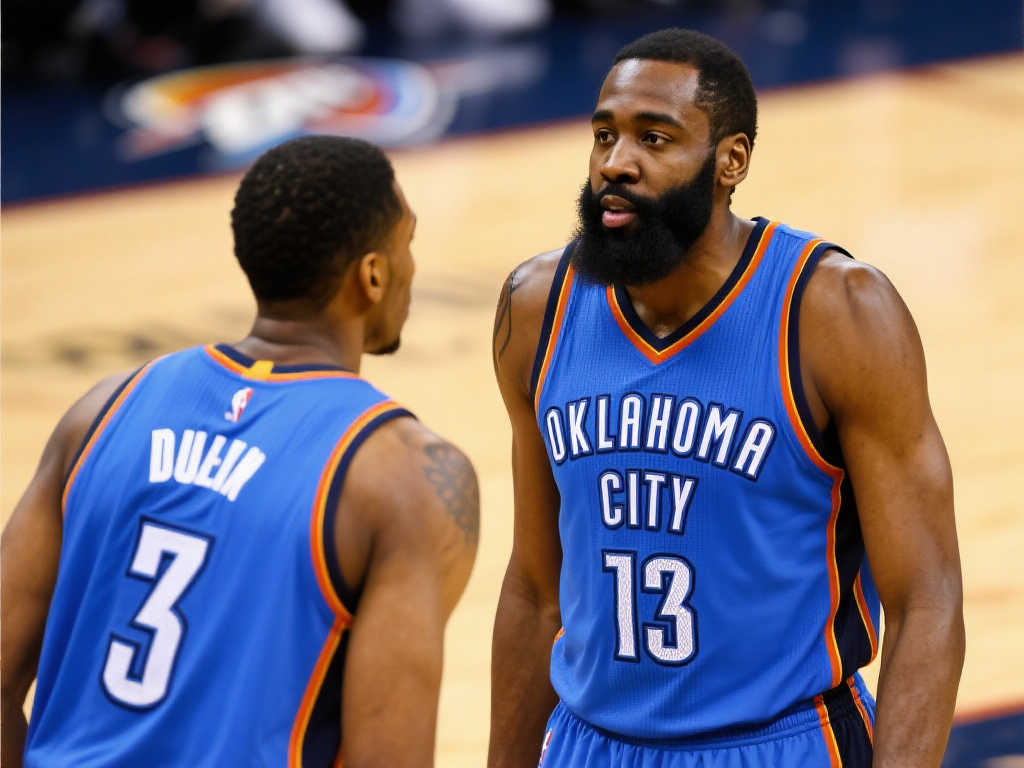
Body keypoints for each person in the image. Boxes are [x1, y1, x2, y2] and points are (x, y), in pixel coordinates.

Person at [488, 28, 963, 768]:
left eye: (654, 138)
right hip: (591, 745)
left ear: (730, 160)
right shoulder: (537, 308)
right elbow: (534, 588)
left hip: (779, 744)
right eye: (605, 135)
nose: (616, 163)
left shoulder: (837, 313)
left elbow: (926, 602)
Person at [2, 135, 479, 768]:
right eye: (407, 242)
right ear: (371, 275)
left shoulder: (101, 412)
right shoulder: (402, 476)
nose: (412, 265)